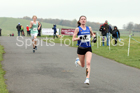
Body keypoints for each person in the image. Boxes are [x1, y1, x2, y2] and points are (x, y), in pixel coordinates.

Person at [72, 15, 95, 85]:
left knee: (88, 63)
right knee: (82, 65)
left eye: (84, 19)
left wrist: (94, 37)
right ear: (79, 21)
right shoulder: (77, 29)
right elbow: (73, 39)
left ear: (86, 20)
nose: (83, 20)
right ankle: (77, 61)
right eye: (82, 19)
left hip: (88, 48)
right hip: (81, 48)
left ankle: (87, 79)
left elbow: (92, 34)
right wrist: (80, 38)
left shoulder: (89, 28)